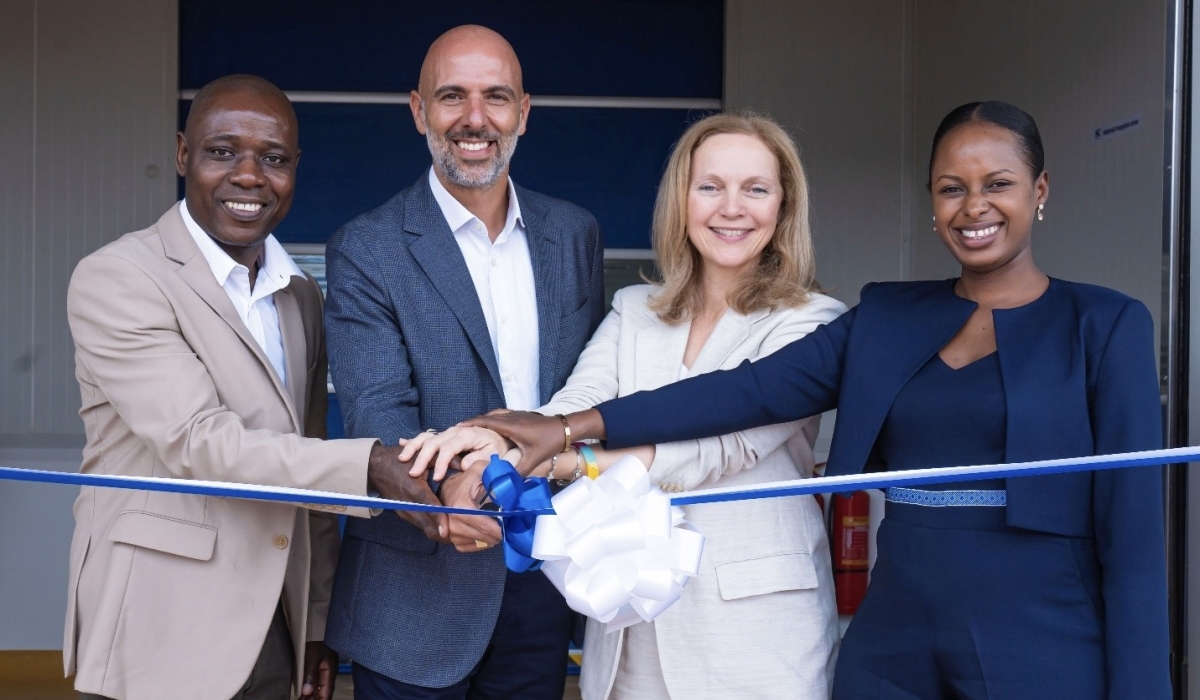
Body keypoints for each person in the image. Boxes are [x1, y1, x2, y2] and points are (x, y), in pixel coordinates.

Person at [463, 102, 1171, 699]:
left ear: (1040, 191)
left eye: (1000, 184)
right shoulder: (887, 317)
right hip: (895, 637)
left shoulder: (1105, 324)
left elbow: (1134, 539)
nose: (974, 206)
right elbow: (748, 391)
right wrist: (567, 425)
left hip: (1040, 633)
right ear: (930, 201)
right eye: (951, 187)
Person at [401, 112, 846, 699]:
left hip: (754, 630)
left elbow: (717, 450)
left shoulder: (812, 322)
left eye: (755, 189)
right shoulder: (636, 308)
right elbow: (574, 407)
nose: (731, 208)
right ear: (681, 201)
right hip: (629, 622)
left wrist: (547, 459)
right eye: (710, 186)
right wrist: (497, 445)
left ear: (784, 207)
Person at [64, 75, 448, 700]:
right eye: (222, 152)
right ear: (184, 154)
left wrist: (316, 619)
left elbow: (309, 461)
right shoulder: (119, 277)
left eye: (273, 159)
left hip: (275, 624)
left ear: (295, 168)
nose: (249, 176)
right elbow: (199, 441)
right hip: (161, 623)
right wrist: (373, 465)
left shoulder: (300, 297)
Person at [321, 25, 606, 700]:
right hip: (415, 593)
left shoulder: (575, 234)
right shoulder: (366, 247)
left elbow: (589, 387)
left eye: (495, 98)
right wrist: (454, 492)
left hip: (543, 582)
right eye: (452, 97)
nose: (475, 119)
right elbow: (378, 411)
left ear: (524, 113)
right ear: (419, 111)